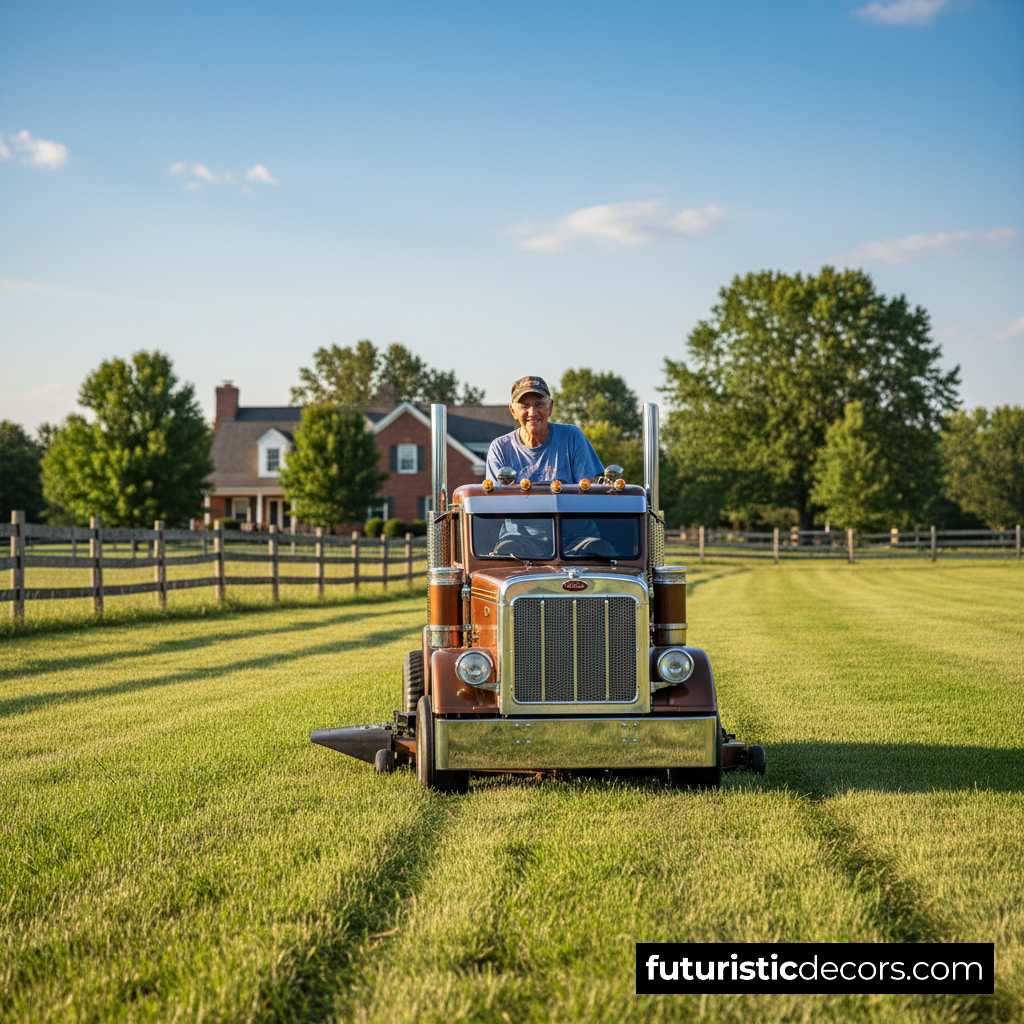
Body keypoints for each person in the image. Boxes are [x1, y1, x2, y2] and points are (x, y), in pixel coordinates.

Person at [485, 375, 604, 485]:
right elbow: (495, 499)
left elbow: (589, 491)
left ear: (550, 407)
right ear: (513, 411)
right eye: (525, 406)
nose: (532, 412)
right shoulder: (500, 448)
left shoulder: (572, 437)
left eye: (539, 404)